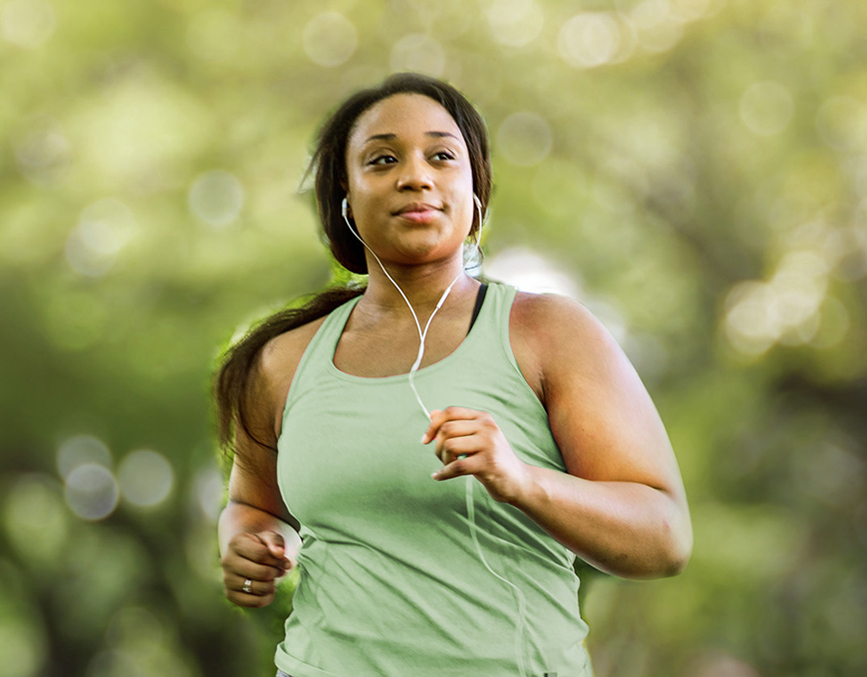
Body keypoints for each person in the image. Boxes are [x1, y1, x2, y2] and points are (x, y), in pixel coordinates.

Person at [211, 72, 692, 677]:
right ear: (346, 193)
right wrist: (245, 543)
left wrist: (522, 479)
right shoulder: (281, 363)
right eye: (382, 159)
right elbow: (252, 506)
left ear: (474, 189)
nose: (415, 175)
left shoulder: (546, 333)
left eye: (442, 155)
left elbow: (664, 539)